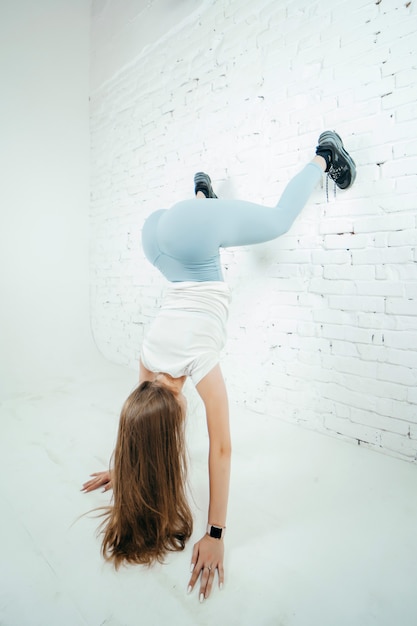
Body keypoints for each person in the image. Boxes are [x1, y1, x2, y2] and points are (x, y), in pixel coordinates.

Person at [82, 130, 356, 602]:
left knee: (277, 221)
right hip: (160, 244)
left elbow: (222, 450)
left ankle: (323, 153)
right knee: (204, 232)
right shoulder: (147, 358)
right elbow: (136, 426)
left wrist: (216, 533)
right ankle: (202, 196)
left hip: (186, 238)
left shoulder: (201, 363)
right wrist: (122, 467)